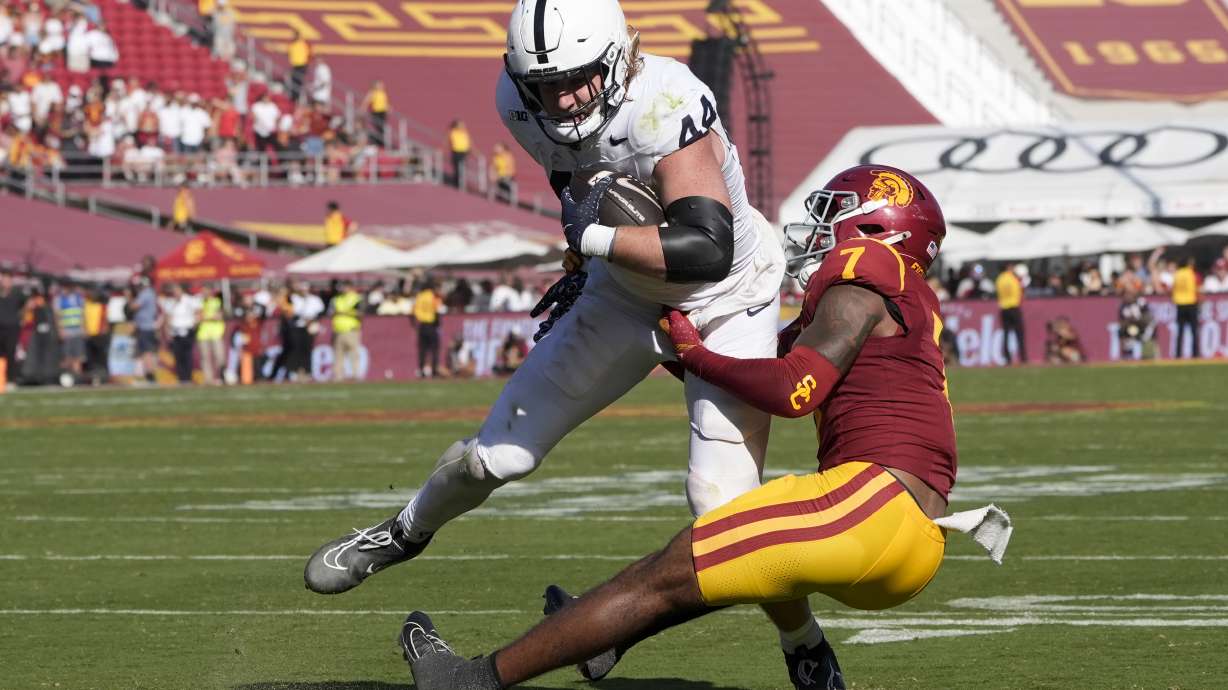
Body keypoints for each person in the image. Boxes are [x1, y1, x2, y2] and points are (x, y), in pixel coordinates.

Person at [305, 0, 794, 681]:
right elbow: (581, 182)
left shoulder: (666, 101)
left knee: (725, 515)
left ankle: (803, 645)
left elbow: (706, 248)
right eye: (547, 84)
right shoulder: (519, 102)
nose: (561, 99)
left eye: (577, 79)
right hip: (625, 293)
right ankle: (401, 531)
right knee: (496, 456)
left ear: (620, 58)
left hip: (726, 300)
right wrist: (594, 257)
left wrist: (592, 241)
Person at [396, 164, 1008, 690]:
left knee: (659, 578)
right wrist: (647, 319)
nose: (820, 227)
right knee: (689, 574)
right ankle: (629, 641)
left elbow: (794, 387)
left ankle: (472, 679)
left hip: (871, 512)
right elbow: (742, 370)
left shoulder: (866, 269)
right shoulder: (894, 299)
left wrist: (692, 353)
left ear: (878, 225)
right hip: (908, 538)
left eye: (836, 214)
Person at [330, 280, 363, 381]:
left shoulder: (356, 298)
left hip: (351, 330)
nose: (343, 289)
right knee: (338, 354)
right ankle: (338, 376)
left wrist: (344, 312)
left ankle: (355, 375)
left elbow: (360, 312)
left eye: (345, 287)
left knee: (354, 353)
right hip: (338, 330)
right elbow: (331, 312)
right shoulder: (336, 299)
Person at [995, 261, 1025, 365]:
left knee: (1006, 333)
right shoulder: (1013, 278)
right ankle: (1023, 357)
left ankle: (1008, 358)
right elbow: (1019, 291)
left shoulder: (999, 279)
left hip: (1003, 307)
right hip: (1014, 306)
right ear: (1008, 267)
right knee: (1019, 333)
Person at [0, 272, 27, 389]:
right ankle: (1, 379)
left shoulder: (17, 293)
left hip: (12, 328)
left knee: (11, 353)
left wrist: (21, 318)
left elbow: (27, 304)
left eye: (6, 279)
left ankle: (11, 380)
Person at [411, 276, 442, 378]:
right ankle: (434, 370)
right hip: (431, 325)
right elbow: (437, 309)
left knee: (422, 350)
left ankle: (421, 370)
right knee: (434, 349)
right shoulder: (434, 296)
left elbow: (414, 310)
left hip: (422, 325)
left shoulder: (420, 296)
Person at [1170, 256, 1200, 359]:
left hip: (1180, 304)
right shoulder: (1190, 272)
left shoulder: (1177, 274)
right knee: (1194, 330)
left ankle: (1178, 354)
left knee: (1180, 331)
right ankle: (1195, 354)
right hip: (1191, 303)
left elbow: (1173, 288)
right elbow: (1197, 286)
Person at [196, 285, 226, 384]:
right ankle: (208, 379)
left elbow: (218, 316)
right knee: (205, 357)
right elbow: (197, 316)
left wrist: (205, 317)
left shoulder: (217, 301)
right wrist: (207, 317)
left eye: (205, 291)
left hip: (216, 333)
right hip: (203, 333)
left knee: (219, 356)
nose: (203, 293)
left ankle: (219, 376)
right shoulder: (199, 302)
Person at [286, 30, 310, 104]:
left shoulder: (303, 43)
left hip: (302, 65)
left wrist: (306, 64)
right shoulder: (291, 45)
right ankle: (294, 97)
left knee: (299, 81)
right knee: (294, 81)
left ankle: (297, 97)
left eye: (294, 35)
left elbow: (309, 53)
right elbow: (289, 53)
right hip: (295, 65)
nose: (293, 37)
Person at [361, 80, 387, 147]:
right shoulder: (373, 93)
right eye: (379, 84)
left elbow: (384, 103)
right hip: (376, 112)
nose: (381, 86)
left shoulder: (383, 93)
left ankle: (381, 142)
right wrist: (363, 108)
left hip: (383, 112)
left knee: (382, 128)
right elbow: (366, 101)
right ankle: (379, 142)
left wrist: (388, 108)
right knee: (379, 127)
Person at [447, 118, 469, 189]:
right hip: (456, 152)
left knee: (462, 168)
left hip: (464, 152)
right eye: (460, 124)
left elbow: (469, 143)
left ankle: (460, 183)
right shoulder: (453, 132)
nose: (462, 125)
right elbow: (448, 141)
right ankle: (456, 183)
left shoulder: (464, 133)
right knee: (457, 168)